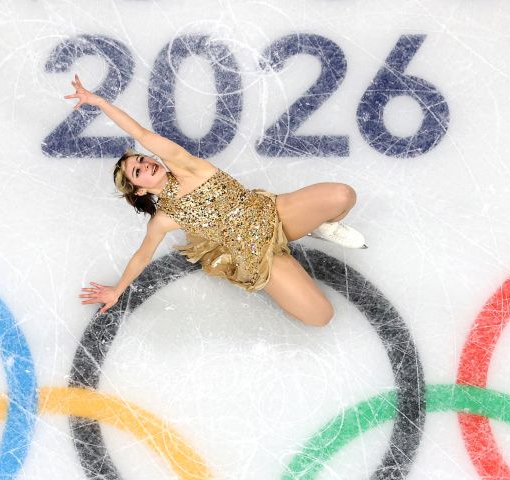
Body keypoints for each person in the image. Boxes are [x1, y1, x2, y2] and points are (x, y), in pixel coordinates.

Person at [66, 75, 366, 327]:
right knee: (320, 316)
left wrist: (100, 102)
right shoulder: (164, 219)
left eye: (143, 160)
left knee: (344, 195)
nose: (146, 165)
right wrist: (117, 291)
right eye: (138, 171)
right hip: (255, 256)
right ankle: (282, 279)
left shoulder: (185, 165)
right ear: (140, 190)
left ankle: (318, 226)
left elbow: (140, 132)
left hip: (271, 215)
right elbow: (142, 255)